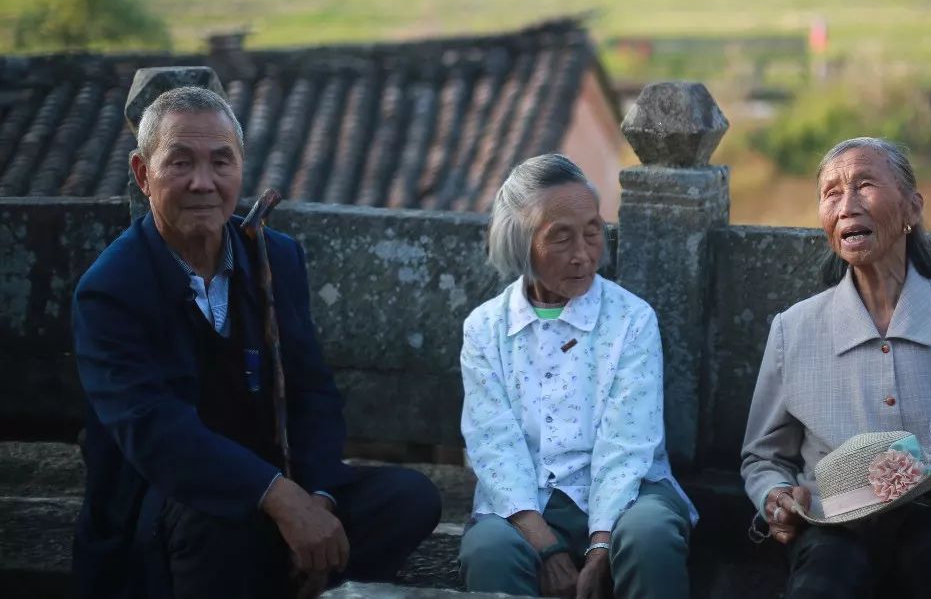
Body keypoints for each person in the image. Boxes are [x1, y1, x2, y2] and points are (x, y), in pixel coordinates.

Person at [72, 86, 441, 599]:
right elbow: (154, 431)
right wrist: (277, 498)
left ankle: (300, 571)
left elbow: (312, 393)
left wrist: (317, 499)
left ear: (240, 168)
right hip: (168, 504)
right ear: (143, 174)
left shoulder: (274, 259)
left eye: (221, 162)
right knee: (220, 525)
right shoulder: (111, 289)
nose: (204, 182)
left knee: (410, 498)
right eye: (180, 163)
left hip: (276, 483)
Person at [740, 137, 931, 599]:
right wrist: (777, 498)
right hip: (834, 518)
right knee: (824, 581)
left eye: (864, 185)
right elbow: (762, 458)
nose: (846, 205)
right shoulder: (794, 329)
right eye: (831, 193)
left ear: (912, 208)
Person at [458, 153, 697, 599]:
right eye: (561, 238)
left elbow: (627, 443)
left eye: (592, 232)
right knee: (491, 553)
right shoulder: (486, 329)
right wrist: (546, 547)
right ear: (521, 243)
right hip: (525, 501)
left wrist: (600, 544)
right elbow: (493, 445)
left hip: (629, 490)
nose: (584, 255)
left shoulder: (631, 319)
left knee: (649, 537)